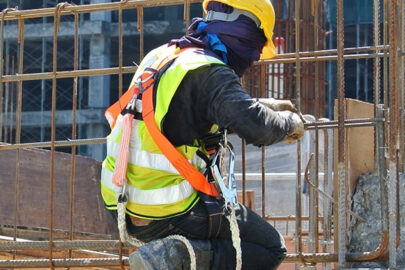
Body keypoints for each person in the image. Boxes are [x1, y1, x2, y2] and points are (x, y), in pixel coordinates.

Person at [100, 0, 305, 269]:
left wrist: (261, 105)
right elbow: (255, 126)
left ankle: (179, 256)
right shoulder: (210, 73)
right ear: (246, 29)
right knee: (270, 247)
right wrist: (289, 123)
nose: (253, 58)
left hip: (121, 205)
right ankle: (180, 257)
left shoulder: (166, 55)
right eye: (256, 46)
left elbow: (191, 110)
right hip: (170, 208)